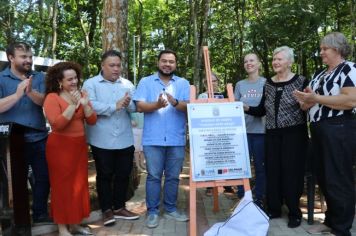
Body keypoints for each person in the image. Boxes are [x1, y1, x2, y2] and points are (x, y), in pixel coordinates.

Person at [294, 32, 356, 236]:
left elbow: (350, 101)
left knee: (338, 177)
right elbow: (309, 103)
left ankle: (341, 228)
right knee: (324, 177)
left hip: (339, 128)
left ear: (337, 49)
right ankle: (330, 221)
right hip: (319, 129)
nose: (321, 53)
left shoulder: (350, 69)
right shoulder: (320, 74)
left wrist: (315, 98)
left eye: (324, 49)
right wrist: (305, 100)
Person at [244, 46, 308, 228]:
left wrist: (306, 103)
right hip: (272, 134)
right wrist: (244, 107)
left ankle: (295, 212)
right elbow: (262, 109)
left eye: (279, 59)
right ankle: (274, 208)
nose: (275, 62)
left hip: (294, 134)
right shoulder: (269, 84)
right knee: (272, 170)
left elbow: (308, 106)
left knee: (292, 172)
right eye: (274, 59)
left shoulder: (301, 81)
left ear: (289, 62)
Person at [133, 49, 190, 228]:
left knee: (173, 177)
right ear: (158, 63)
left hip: (176, 139)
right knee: (154, 177)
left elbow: (189, 107)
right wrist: (157, 105)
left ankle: (171, 209)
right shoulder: (146, 81)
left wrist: (174, 102)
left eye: (171, 61)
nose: (167, 64)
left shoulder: (183, 83)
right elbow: (140, 106)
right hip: (153, 139)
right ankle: (152, 212)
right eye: (164, 61)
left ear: (175, 64)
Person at [83, 50, 139, 227]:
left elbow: (134, 108)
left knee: (123, 175)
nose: (116, 69)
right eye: (112, 65)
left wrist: (128, 102)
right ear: (103, 66)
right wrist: (113, 106)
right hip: (101, 139)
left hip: (125, 138)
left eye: (118, 65)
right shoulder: (91, 83)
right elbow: (90, 106)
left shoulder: (128, 84)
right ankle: (106, 210)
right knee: (105, 175)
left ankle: (120, 207)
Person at [0, 42, 51, 227]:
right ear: (11, 58)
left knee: (44, 177)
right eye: (23, 56)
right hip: (12, 142)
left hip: (39, 137)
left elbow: (46, 102)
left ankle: (40, 214)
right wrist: (16, 95)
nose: (28, 60)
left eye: (30, 56)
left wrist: (30, 92)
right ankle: (18, 220)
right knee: (15, 182)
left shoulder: (40, 77)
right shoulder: (1, 78)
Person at [43, 62, 97, 236]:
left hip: (79, 146)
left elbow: (92, 120)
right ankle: (62, 228)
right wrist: (74, 105)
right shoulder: (52, 98)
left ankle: (74, 224)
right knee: (61, 187)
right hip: (60, 148)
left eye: (76, 78)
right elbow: (57, 124)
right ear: (60, 81)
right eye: (70, 79)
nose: (74, 81)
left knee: (79, 186)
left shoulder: (81, 94)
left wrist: (86, 104)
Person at [234, 53, 266, 207]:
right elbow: (233, 106)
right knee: (242, 165)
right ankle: (242, 194)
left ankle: (259, 196)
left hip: (262, 132)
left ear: (258, 64)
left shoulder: (267, 83)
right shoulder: (240, 84)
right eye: (245, 61)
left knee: (260, 165)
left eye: (252, 60)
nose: (248, 63)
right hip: (243, 132)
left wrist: (247, 107)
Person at [198, 72, 235, 197]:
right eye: (209, 81)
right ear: (204, 84)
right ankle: (209, 185)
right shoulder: (201, 96)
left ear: (218, 82)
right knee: (210, 160)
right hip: (208, 133)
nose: (212, 84)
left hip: (223, 131)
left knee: (224, 159)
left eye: (214, 81)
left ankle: (226, 184)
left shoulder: (223, 95)